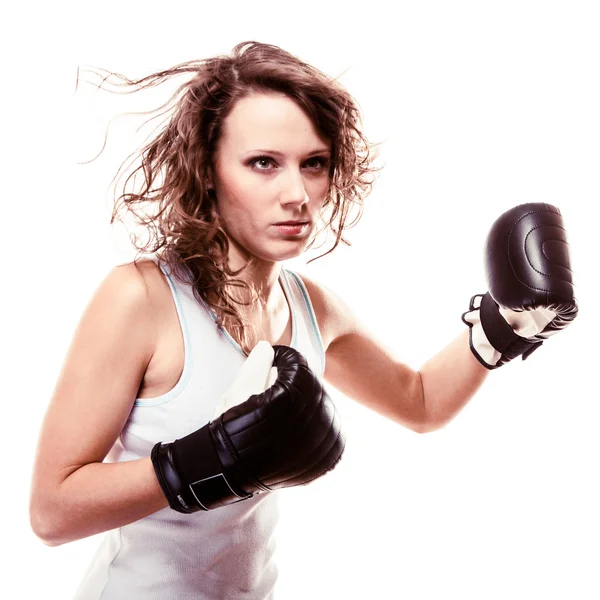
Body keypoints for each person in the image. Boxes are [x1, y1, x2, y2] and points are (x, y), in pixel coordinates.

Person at [28, 41, 578, 599]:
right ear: (208, 170)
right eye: (263, 163)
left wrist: (503, 326)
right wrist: (213, 459)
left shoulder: (309, 306)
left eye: (313, 164)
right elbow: (52, 511)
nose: (297, 195)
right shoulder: (142, 297)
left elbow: (420, 401)